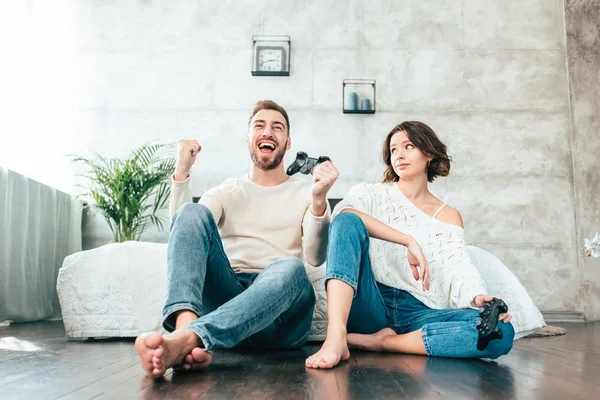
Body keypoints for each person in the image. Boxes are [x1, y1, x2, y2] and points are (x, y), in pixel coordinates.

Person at [135, 100, 339, 379]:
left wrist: (319, 200)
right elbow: (186, 231)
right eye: (259, 126)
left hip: (280, 318)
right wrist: (181, 173)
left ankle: (191, 338)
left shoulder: (307, 192)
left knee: (291, 268)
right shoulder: (228, 190)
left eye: (277, 127)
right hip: (229, 292)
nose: (268, 132)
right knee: (192, 211)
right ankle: (185, 336)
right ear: (248, 140)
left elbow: (316, 257)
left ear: (288, 142)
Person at [306, 121, 514, 369]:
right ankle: (336, 336)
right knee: (347, 220)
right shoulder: (371, 194)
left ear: (428, 153)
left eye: (409, 146)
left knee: (501, 331)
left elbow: (459, 266)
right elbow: (344, 219)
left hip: (420, 312)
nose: (399, 155)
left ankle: (384, 343)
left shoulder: (449, 215)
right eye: (393, 150)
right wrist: (406, 240)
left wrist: (478, 296)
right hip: (372, 303)